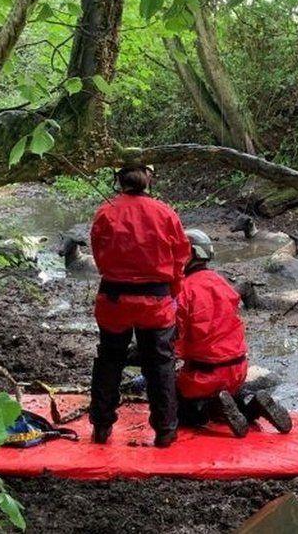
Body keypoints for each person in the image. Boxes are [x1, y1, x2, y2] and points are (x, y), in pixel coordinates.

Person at [89, 164, 191, 448]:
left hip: (114, 300)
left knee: (109, 359)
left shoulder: (106, 212)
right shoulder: (165, 213)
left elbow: (99, 254)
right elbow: (180, 257)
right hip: (155, 303)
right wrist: (174, 292)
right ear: (149, 179)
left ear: (118, 179)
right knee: (160, 364)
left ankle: (101, 426)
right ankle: (166, 430)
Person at [175, 229, 292, 437]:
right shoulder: (221, 282)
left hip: (204, 374)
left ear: (188, 254)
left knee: (183, 413)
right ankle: (253, 405)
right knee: (231, 396)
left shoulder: (183, 290)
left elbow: (174, 336)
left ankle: (214, 407)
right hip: (237, 369)